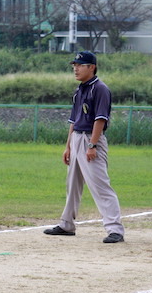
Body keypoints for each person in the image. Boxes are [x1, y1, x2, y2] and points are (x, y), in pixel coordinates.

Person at [44, 51, 125, 244]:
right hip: (76, 139)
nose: (76, 68)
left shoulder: (100, 89)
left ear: (92, 67)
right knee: (72, 185)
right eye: (74, 65)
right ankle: (66, 225)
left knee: (100, 186)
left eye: (80, 65)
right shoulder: (79, 90)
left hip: (91, 139)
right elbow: (74, 121)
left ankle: (115, 229)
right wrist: (68, 146)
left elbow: (100, 119)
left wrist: (92, 145)